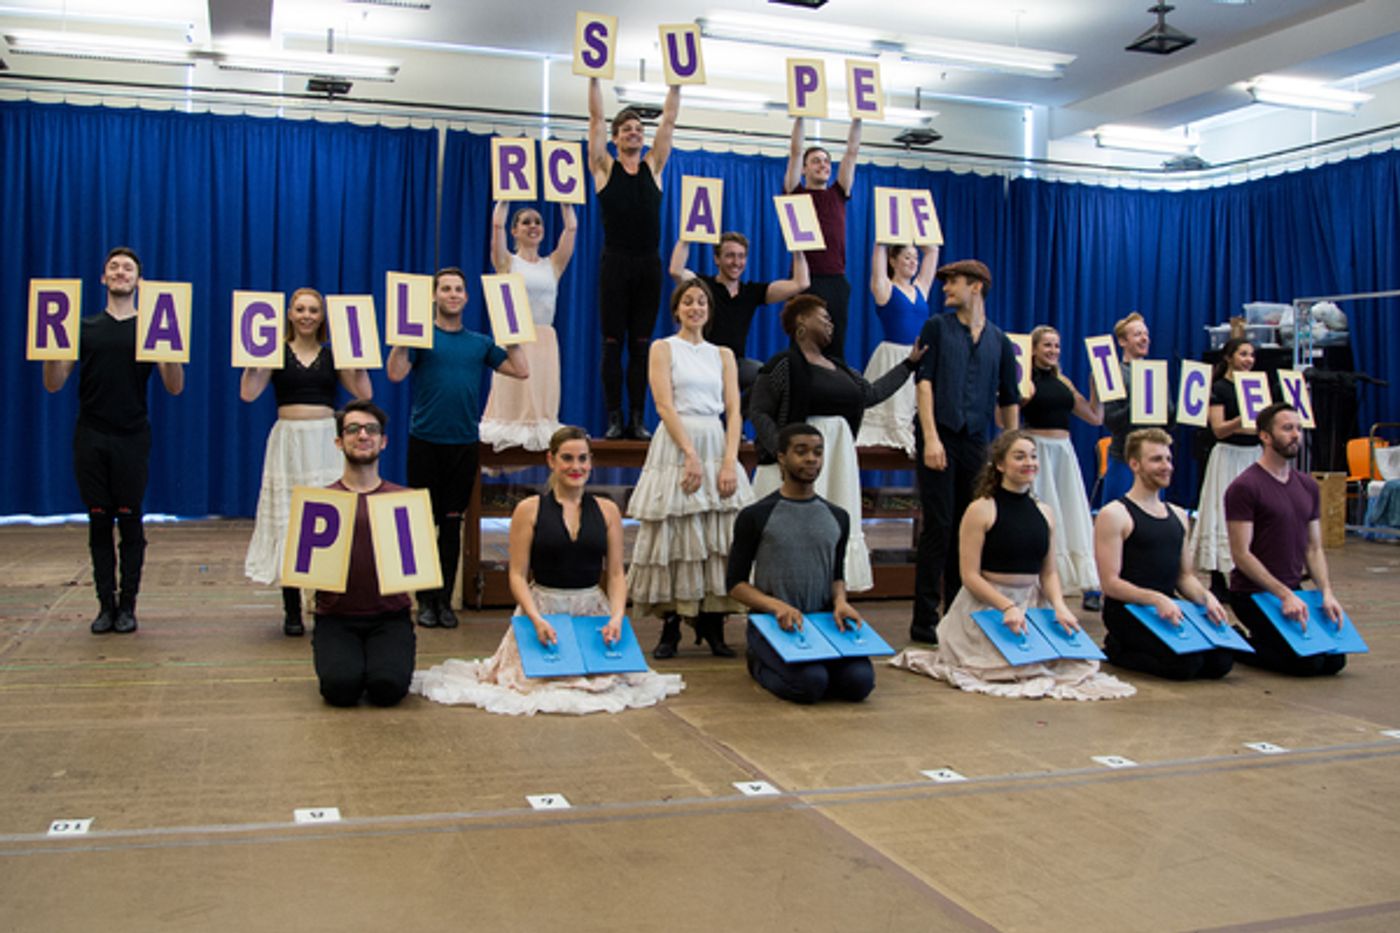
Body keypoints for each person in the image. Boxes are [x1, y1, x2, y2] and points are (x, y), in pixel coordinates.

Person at [412, 427, 684, 714]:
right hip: (543, 610)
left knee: (604, 681)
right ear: (551, 460)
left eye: (582, 459)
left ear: (591, 462)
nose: (576, 467)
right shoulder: (529, 509)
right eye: (567, 458)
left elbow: (616, 574)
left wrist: (617, 616)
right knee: (534, 683)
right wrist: (535, 619)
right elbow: (517, 575)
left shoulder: (607, 511)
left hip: (592, 612)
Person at [891, 431, 1135, 701]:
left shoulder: (1045, 512)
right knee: (1003, 669)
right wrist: (1006, 606)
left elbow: (1049, 572)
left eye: (1032, 456)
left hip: (1032, 605)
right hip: (987, 605)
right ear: (1000, 464)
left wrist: (1060, 605)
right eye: (1019, 457)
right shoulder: (981, 509)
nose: (1029, 462)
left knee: (1074, 666)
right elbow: (969, 576)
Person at [42, 247, 184, 635]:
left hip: (132, 436)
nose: (121, 273)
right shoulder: (82, 327)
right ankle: (105, 605)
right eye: (114, 267)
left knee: (131, 521)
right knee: (99, 521)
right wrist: (49, 351)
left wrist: (170, 352)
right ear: (103, 278)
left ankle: (128, 607)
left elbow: (175, 387)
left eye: (128, 268)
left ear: (138, 280)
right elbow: (54, 384)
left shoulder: (155, 328)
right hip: (90, 435)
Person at [386, 267, 529, 629]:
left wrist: (512, 335)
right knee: (422, 526)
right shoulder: (420, 339)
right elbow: (395, 373)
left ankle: (444, 601)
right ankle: (424, 603)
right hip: (424, 443)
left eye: (458, 289)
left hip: (463, 445)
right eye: (445, 289)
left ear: (466, 298)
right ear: (434, 296)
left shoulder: (479, 343)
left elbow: (521, 370)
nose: (452, 294)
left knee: (451, 527)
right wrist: (402, 337)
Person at [750, 295, 922, 593]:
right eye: (823, 317)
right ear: (801, 321)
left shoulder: (839, 367)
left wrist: (909, 364)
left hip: (837, 458)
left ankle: (830, 598)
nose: (830, 323)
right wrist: (781, 450)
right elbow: (759, 410)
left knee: (832, 526)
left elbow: (872, 393)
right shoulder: (784, 364)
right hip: (797, 459)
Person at [627, 279, 754, 659]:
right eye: (688, 302)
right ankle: (671, 627)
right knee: (676, 534)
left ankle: (714, 625)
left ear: (709, 310)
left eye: (701, 302)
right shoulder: (664, 348)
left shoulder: (724, 355)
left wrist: (729, 460)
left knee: (718, 537)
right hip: (678, 439)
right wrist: (690, 454)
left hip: (716, 440)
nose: (695, 307)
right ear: (677, 309)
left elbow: (733, 410)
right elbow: (664, 405)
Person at [241, 288, 372, 637]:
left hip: (324, 442)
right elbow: (248, 393)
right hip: (287, 441)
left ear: (322, 316)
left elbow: (364, 394)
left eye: (313, 310)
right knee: (289, 519)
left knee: (326, 520)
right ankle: (291, 609)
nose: (307, 315)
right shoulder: (275, 353)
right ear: (289, 314)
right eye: (300, 309)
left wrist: (356, 358)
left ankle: (325, 602)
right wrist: (254, 357)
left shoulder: (333, 356)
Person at [911, 259, 1019, 644]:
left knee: (966, 528)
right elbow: (924, 384)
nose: (945, 289)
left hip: (975, 440)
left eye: (952, 282)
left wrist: (1013, 449)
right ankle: (923, 618)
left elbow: (1009, 399)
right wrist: (931, 438)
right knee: (938, 526)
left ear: (976, 286)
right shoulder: (937, 327)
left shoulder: (1000, 341)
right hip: (939, 433)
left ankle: (956, 613)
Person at [727, 423, 875, 705]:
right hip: (775, 625)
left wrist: (841, 601)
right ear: (782, 457)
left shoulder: (838, 517)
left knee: (859, 683)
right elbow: (735, 584)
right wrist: (776, 606)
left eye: (818, 452)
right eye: (801, 451)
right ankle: (758, 662)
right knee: (811, 684)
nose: (811, 459)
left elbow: (836, 575)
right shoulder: (756, 515)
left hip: (823, 624)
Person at [1095, 428, 1234, 680]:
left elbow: (1184, 577)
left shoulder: (1178, 515)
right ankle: (1117, 649)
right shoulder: (1115, 514)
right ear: (1135, 464)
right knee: (1185, 666)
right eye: (1156, 459)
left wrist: (1205, 597)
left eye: (1168, 459)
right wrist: (1155, 599)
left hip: (1167, 607)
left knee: (1220, 662)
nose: (1166, 466)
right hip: (1128, 610)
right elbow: (1110, 583)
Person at [588, 76, 681, 439]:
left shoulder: (654, 167)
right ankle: (614, 417)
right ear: (614, 138)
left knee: (642, 346)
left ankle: (638, 419)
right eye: (626, 129)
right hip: (615, 264)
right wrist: (594, 77)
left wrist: (676, 84)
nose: (634, 133)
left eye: (638, 129)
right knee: (613, 345)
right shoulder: (604, 168)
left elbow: (669, 121)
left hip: (648, 266)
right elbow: (595, 119)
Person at [1226, 402, 1348, 676]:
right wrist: (1283, 594)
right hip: (1254, 594)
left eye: (1299, 429)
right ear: (1265, 437)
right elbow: (1241, 554)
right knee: (1306, 664)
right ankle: (1237, 643)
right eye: (1287, 428)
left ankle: (1270, 639)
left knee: (1334, 662)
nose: (1296, 435)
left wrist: (1326, 593)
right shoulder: (1245, 487)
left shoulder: (1307, 485)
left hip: (1295, 591)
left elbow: (1313, 547)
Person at [311, 400, 416, 707]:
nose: (362, 435)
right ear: (339, 441)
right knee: (340, 690)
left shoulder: (404, 500)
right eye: (353, 429)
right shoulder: (321, 502)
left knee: (387, 689)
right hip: (336, 618)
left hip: (390, 618)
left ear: (383, 441)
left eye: (371, 429)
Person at [668, 232, 808, 407]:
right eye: (730, 256)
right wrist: (686, 237)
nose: (736, 262)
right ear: (717, 259)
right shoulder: (703, 285)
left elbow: (801, 283)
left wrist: (798, 249)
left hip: (736, 364)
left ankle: (737, 422)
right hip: (703, 360)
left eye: (741, 256)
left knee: (767, 378)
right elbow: (676, 270)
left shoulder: (751, 292)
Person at [479, 201, 577, 452]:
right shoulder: (507, 263)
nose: (533, 226)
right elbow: (497, 224)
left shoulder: (553, 264)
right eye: (526, 222)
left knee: (541, 402)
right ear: (515, 231)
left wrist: (566, 204)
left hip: (544, 341)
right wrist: (505, 198)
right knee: (513, 396)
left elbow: (572, 229)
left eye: (537, 222)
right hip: (515, 340)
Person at [1020, 325, 1103, 607]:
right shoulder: (1024, 381)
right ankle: (1036, 584)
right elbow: (1000, 417)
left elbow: (1094, 416)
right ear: (1034, 349)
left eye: (1056, 346)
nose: (1053, 351)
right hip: (1038, 451)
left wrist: (1097, 389)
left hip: (1064, 454)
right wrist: (1023, 396)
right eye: (1047, 345)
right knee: (1043, 515)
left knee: (1067, 514)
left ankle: (1061, 584)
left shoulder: (1063, 382)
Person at [1189, 337, 1261, 600]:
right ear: (1229, 357)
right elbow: (1218, 429)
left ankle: (1250, 574)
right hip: (1228, 456)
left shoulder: (1257, 387)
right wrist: (1242, 420)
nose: (1248, 360)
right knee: (1222, 512)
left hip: (1253, 454)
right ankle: (1219, 579)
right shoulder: (1219, 388)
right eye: (1243, 354)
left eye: (1251, 355)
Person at [784, 115, 861, 360]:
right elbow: (795, 151)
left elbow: (851, 152)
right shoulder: (795, 191)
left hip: (835, 280)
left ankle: (834, 392)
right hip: (805, 280)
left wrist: (858, 118)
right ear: (805, 168)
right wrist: (801, 114)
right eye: (816, 161)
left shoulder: (839, 193)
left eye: (826, 161)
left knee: (834, 344)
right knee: (802, 343)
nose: (823, 165)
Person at [856, 241, 939, 454]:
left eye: (915, 258)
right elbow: (879, 253)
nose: (913, 262)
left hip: (918, 356)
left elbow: (932, 251)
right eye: (907, 258)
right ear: (893, 261)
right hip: (893, 357)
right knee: (890, 406)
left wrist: (917, 230)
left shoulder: (920, 288)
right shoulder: (884, 288)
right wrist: (884, 239)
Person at [1101, 311, 1173, 505]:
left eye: (1146, 334)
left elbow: (1168, 420)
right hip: (1124, 459)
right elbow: (1110, 420)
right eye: (1137, 334)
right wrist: (1138, 403)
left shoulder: (1156, 373)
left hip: (1154, 459)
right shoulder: (1113, 372)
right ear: (1122, 341)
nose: (1144, 339)